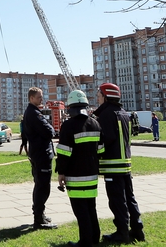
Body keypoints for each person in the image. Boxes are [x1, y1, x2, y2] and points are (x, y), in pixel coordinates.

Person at [94, 83, 145, 243]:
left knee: (117, 200)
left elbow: (106, 140)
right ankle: (137, 230)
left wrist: (94, 152)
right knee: (130, 198)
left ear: (106, 96)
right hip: (125, 165)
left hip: (112, 165)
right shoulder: (122, 113)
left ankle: (122, 233)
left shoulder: (106, 114)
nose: (97, 98)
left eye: (99, 95)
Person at [56, 90, 103, 247]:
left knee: (80, 211)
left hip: (75, 176)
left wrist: (61, 173)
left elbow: (63, 153)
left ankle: (85, 242)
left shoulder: (68, 126)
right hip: (92, 175)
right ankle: (95, 238)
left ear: (70, 107)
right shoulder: (95, 123)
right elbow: (101, 150)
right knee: (91, 208)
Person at [22, 86, 57, 230]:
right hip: (41, 154)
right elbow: (49, 131)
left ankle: (40, 214)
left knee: (41, 185)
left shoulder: (32, 112)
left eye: (41, 96)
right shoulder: (34, 113)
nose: (41, 99)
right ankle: (38, 219)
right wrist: (51, 129)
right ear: (31, 98)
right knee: (42, 187)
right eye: (39, 97)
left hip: (39, 154)